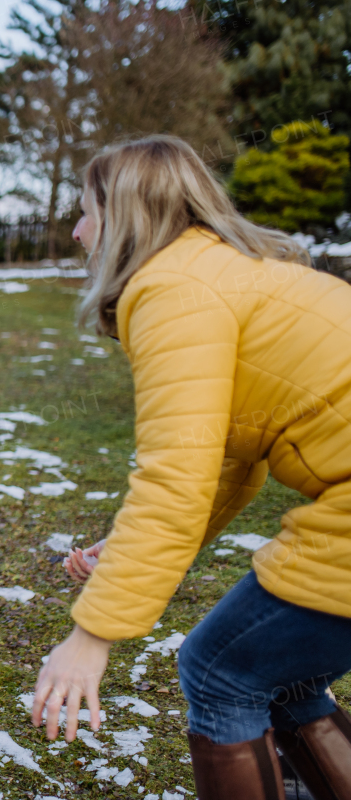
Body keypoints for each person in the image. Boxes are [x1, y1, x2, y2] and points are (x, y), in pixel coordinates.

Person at [30, 135, 351, 800]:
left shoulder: (172, 290)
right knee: (280, 675)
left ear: (124, 217)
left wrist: (91, 635)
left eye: (87, 210)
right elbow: (228, 466)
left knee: (219, 669)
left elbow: (174, 479)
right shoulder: (216, 273)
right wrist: (124, 552)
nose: (76, 228)